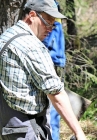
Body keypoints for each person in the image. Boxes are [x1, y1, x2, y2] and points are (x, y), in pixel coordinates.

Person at [0, 0, 87, 140]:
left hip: (9, 127)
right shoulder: (32, 46)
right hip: (29, 127)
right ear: (32, 15)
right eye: (47, 22)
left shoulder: (6, 37)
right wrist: (79, 133)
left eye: (53, 23)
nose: (50, 28)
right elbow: (56, 94)